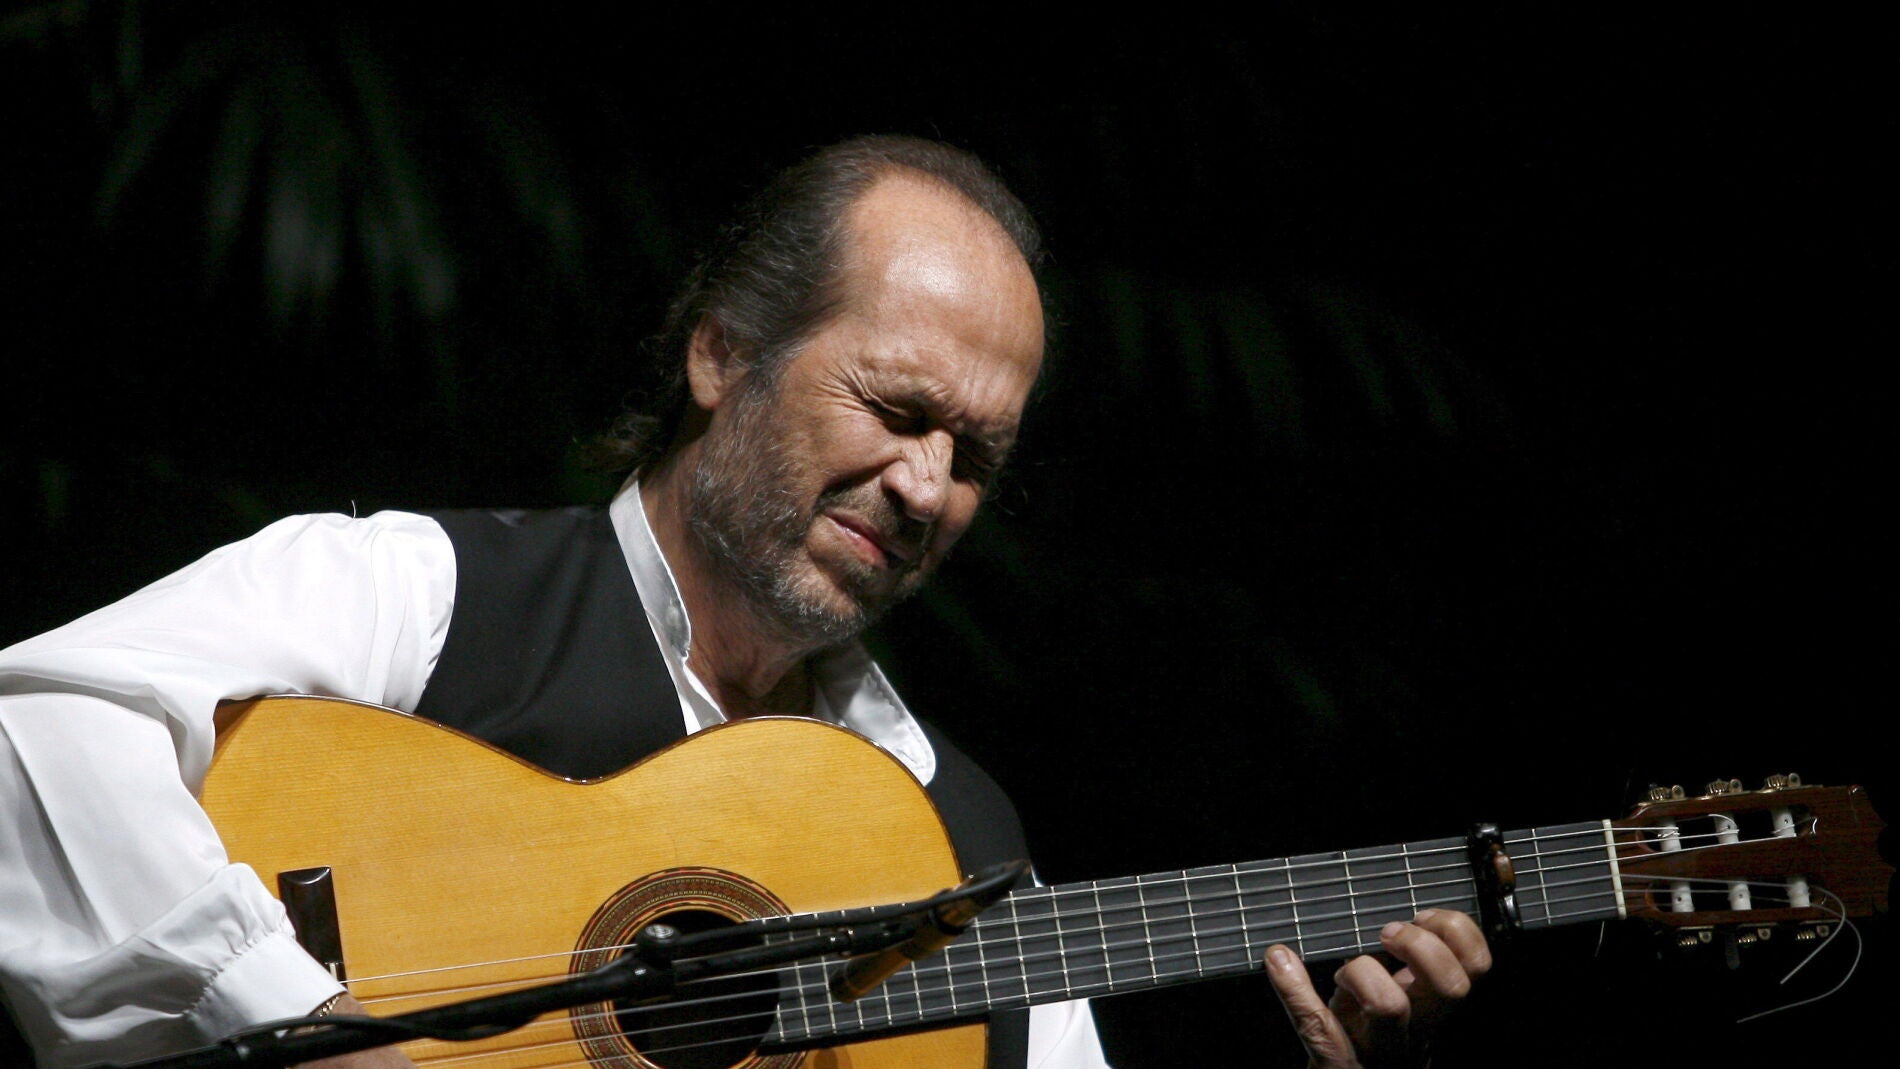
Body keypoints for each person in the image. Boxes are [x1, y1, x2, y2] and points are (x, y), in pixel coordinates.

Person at [0, 136, 1486, 1069]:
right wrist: (305, 1021)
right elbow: (39, 724)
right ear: (723, 356)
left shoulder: (962, 843)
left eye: (975, 458)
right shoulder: (427, 593)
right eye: (896, 406)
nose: (925, 485)